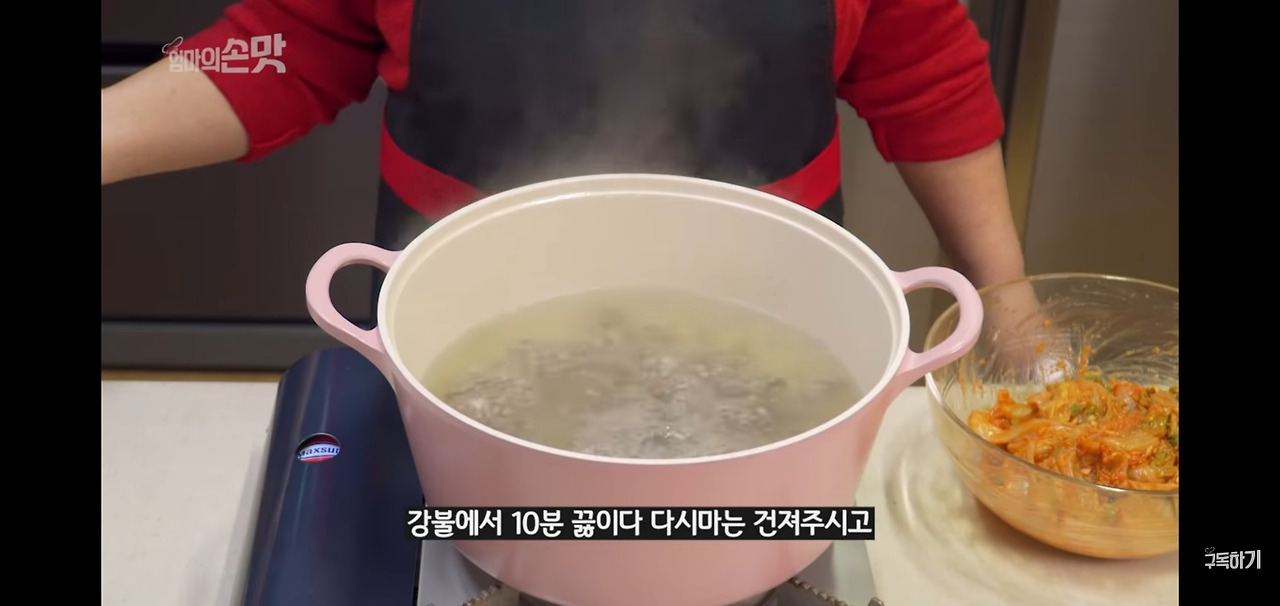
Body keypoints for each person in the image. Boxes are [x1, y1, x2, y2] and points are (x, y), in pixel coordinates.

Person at [101, 0, 1028, 297]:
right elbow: (289, 39)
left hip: (775, 315)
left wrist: (1007, 300)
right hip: (458, 325)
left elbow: (927, 73)